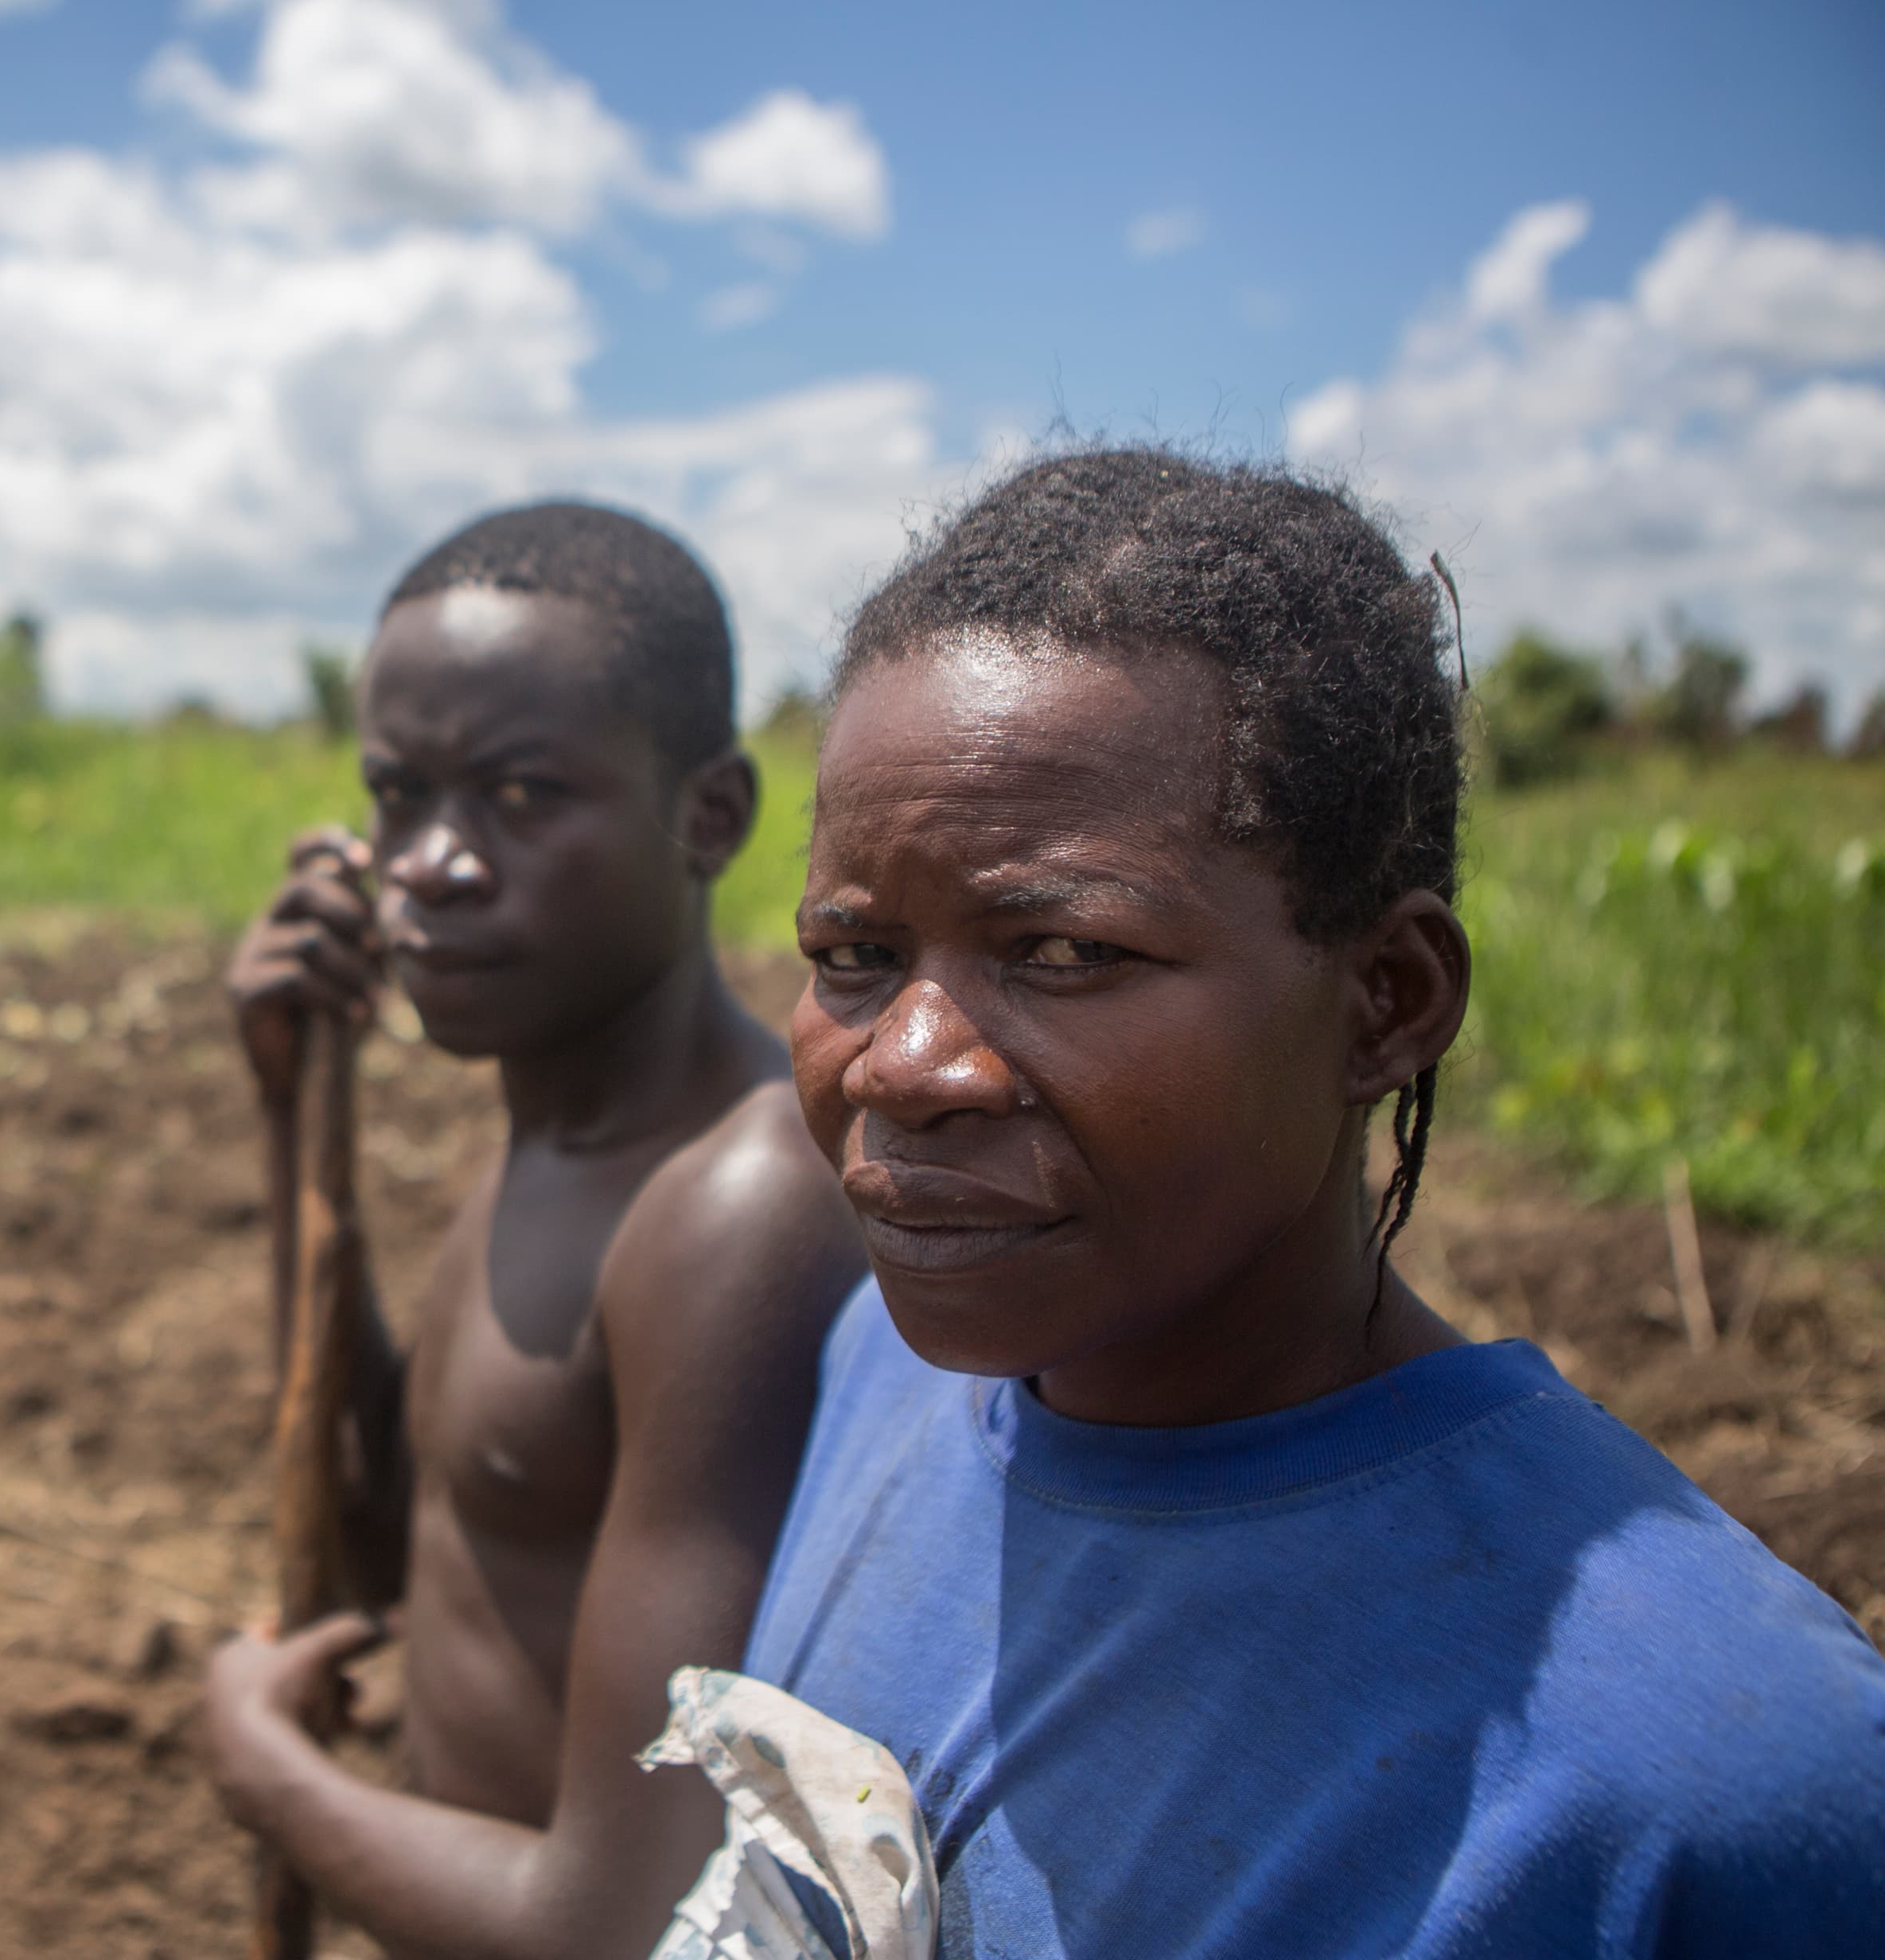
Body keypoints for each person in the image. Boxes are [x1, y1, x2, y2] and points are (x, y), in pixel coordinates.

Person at [667, 449, 1885, 1957]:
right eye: (853, 955)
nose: (906, 1066)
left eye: (1063, 954)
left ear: (1386, 1001)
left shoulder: (1706, 1784)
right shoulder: (883, 1373)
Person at [199, 502, 870, 1959]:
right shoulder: (555, 1151)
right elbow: (405, 1547)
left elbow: (622, 1926)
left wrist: (269, 1773)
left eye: (517, 797)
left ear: (711, 815)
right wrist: (287, 1116)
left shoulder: (734, 1210)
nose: (428, 865)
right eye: (398, 796)